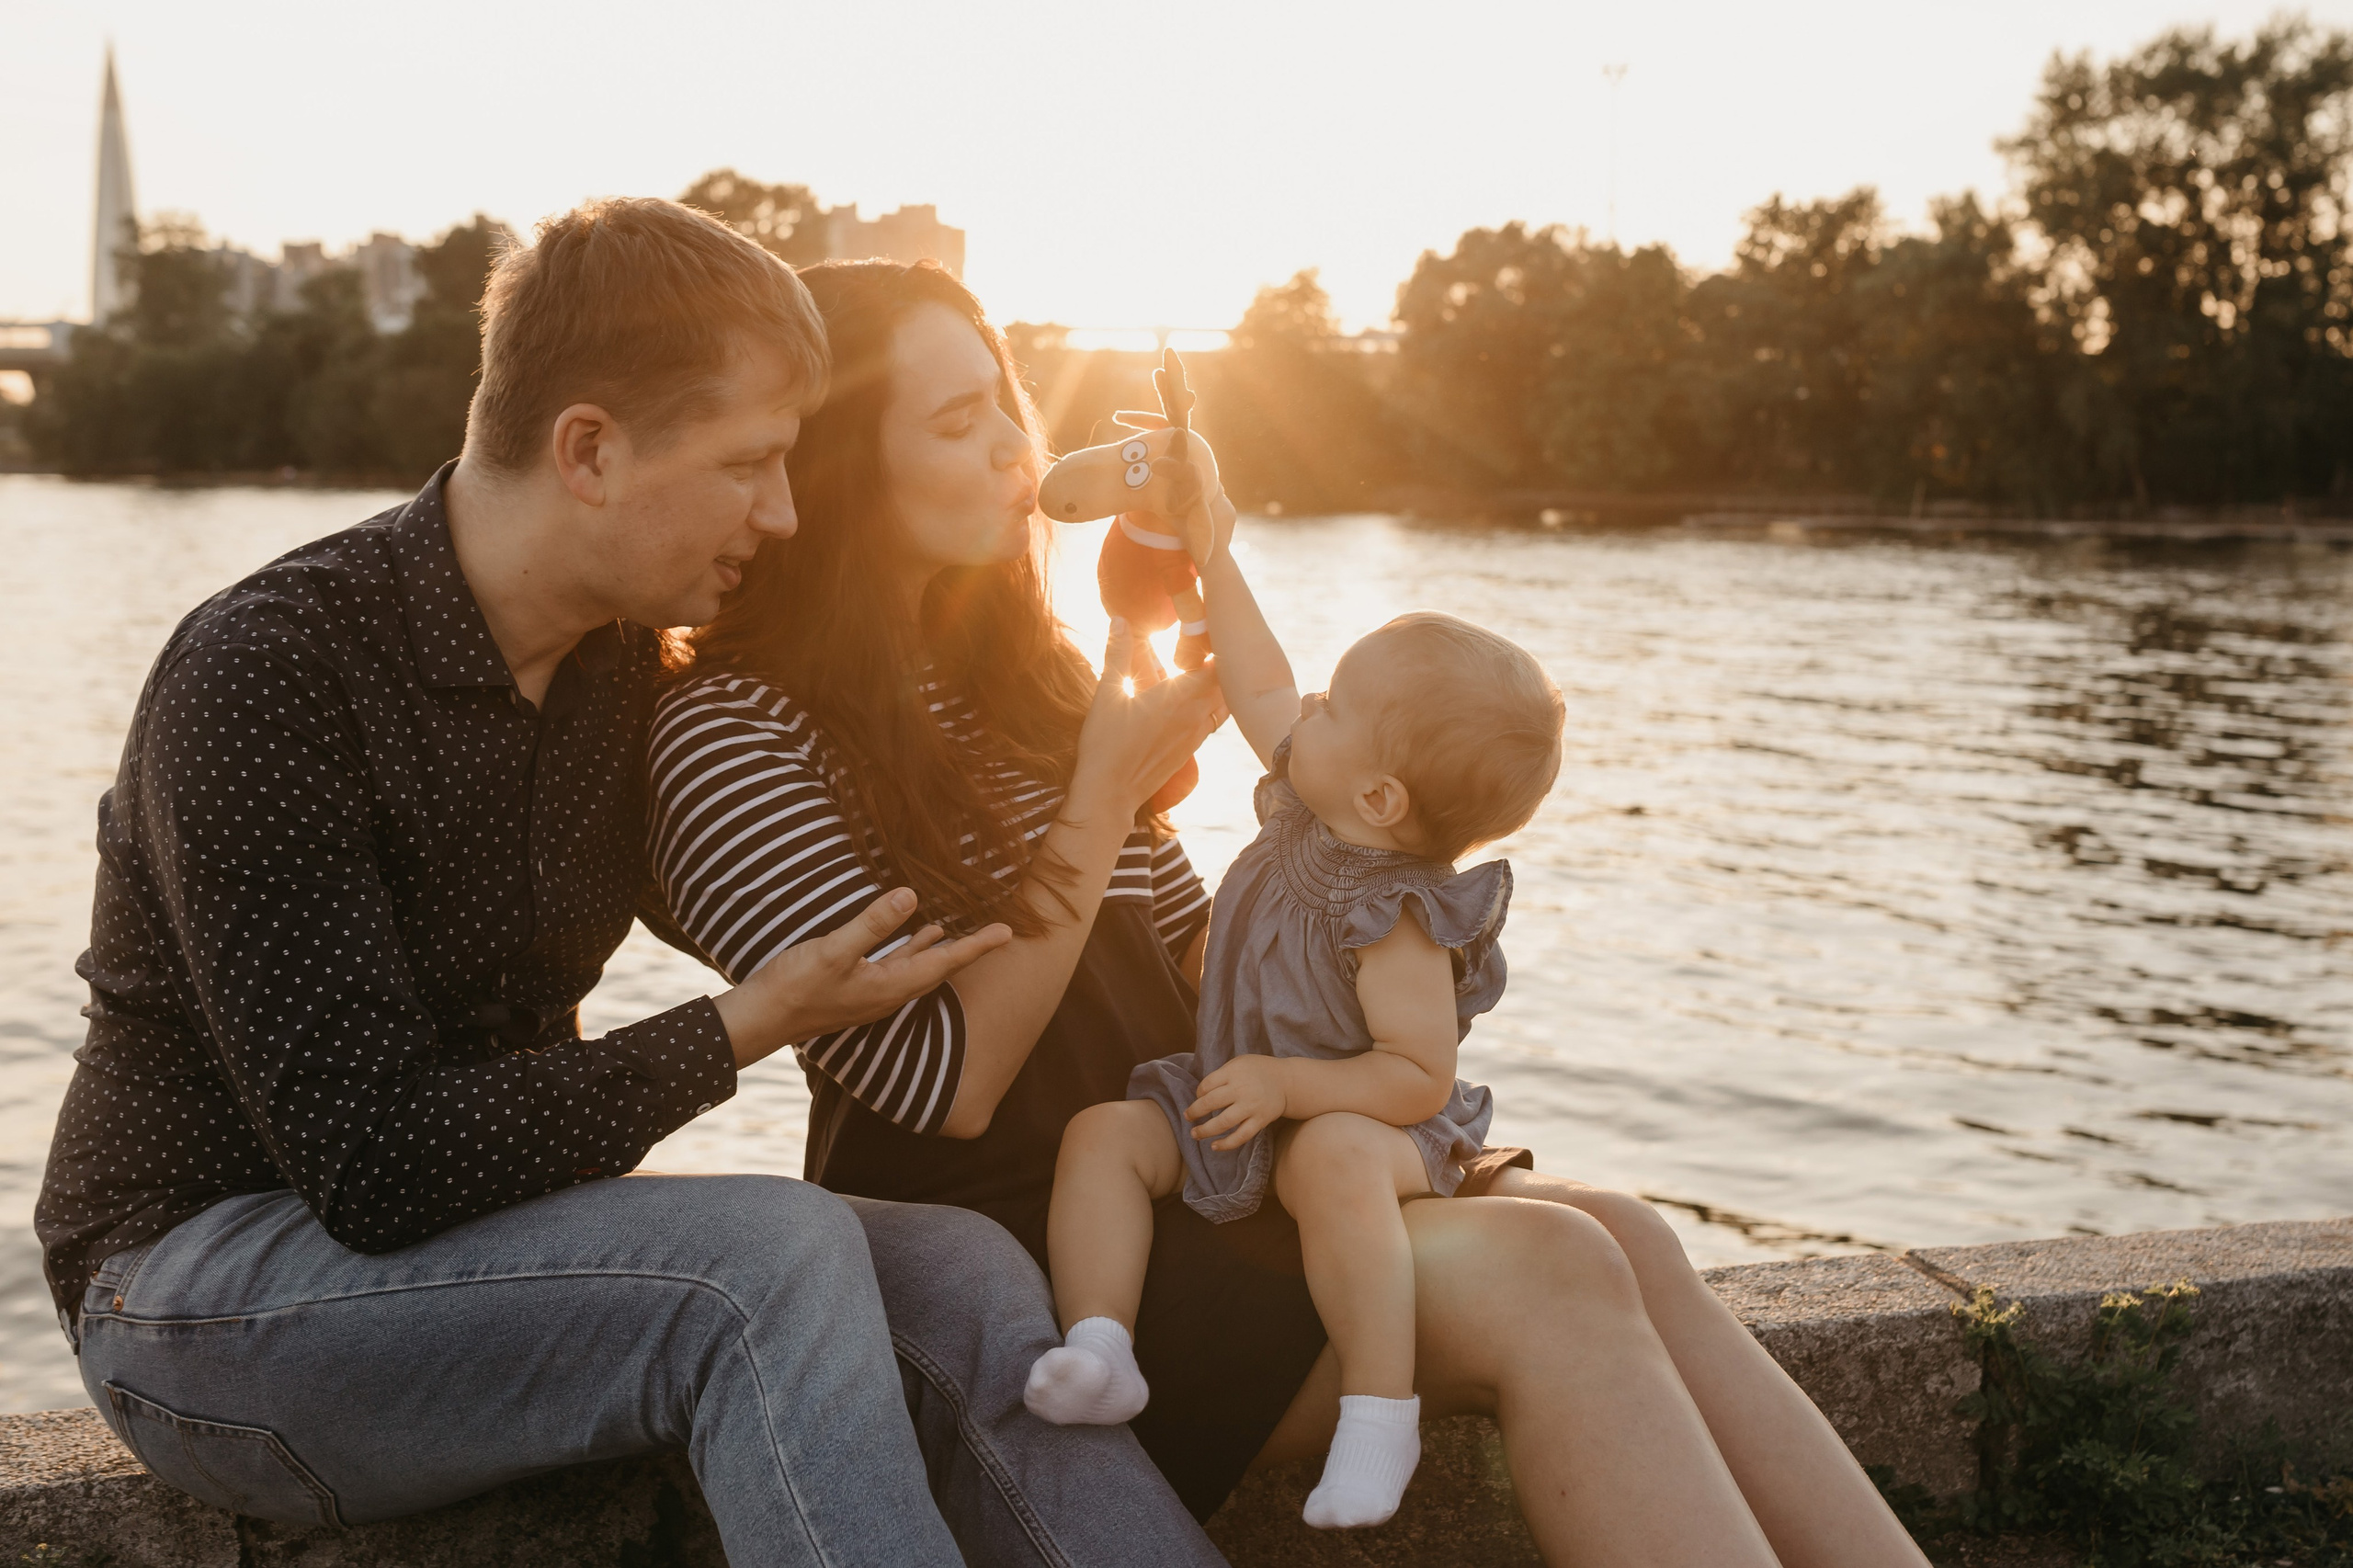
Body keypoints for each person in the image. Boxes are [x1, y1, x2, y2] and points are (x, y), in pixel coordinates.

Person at [654, 256, 1934, 1566]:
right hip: (1035, 1247)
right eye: (952, 421)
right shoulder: (738, 734)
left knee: (1627, 1237)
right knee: (1554, 1277)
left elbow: (1200, 964)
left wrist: (1364, 891)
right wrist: (1097, 793)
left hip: (1204, 1151)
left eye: (1005, 406)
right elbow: (942, 1081)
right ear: (842, 472)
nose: (1009, 449)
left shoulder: (1019, 677)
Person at [34, 198, 1235, 1568]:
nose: (784, 512)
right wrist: (739, 1027)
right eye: (749, 464)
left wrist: (1152, 579)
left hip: (480, 1251)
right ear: (589, 451)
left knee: (963, 1267)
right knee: (766, 1260)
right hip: (200, 1298)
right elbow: (371, 1168)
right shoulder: (270, 676)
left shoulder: (619, 683)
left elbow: (882, 933)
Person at [1028, 606, 1563, 1534]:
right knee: (1105, 1132)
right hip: (1246, 1096)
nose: (1306, 704)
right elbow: (1262, 683)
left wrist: (1290, 1085)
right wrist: (1213, 539)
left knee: (1332, 1159)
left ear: (1382, 797)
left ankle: (1377, 1408)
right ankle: (1101, 1340)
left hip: (1376, 1124)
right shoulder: (1308, 808)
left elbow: (1415, 1075)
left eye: (1334, 705)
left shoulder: (1397, 916)